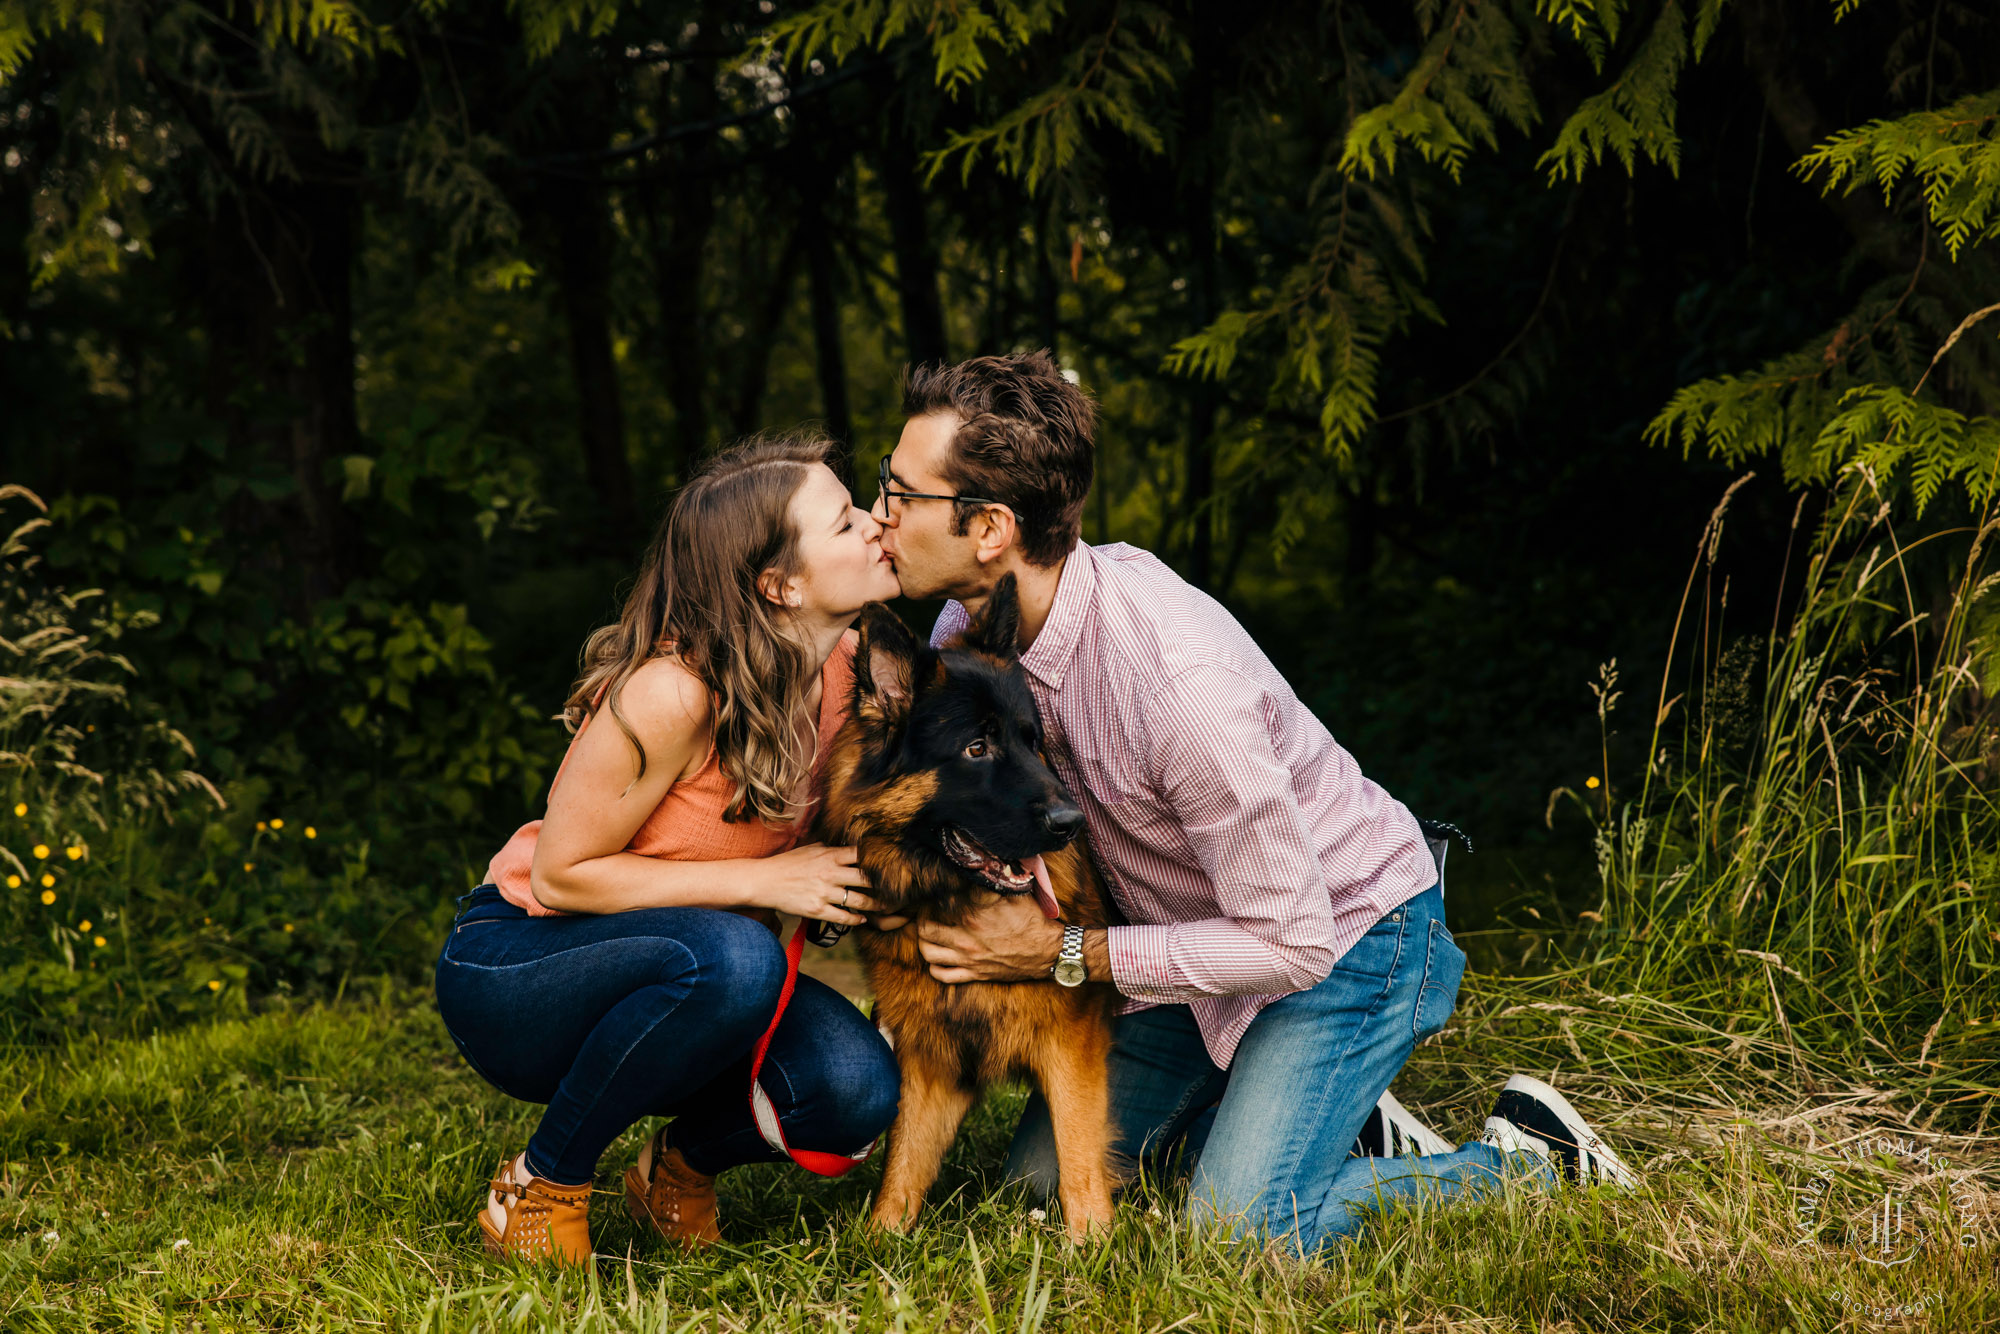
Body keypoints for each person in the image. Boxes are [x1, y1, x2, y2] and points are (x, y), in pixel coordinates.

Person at [870, 352, 1639, 1255]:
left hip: (1350, 941)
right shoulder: (966, 630)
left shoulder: (1177, 686)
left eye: (898, 491)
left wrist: (1067, 950)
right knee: (1037, 1186)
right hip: (1193, 949)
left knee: (1240, 1233)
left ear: (989, 528)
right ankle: (1336, 1134)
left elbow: (1294, 940)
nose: (879, 512)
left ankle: (1528, 1159)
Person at [434, 436, 902, 1265]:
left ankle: (675, 1170)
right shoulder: (672, 693)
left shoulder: (849, 669)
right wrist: (771, 878)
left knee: (856, 1086)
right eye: (844, 522)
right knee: (735, 957)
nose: (875, 525)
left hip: (703, 970)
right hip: (519, 969)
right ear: (779, 584)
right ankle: (540, 1188)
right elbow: (562, 874)